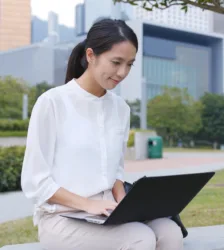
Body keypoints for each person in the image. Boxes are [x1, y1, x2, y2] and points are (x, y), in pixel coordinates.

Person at [21, 18, 183, 250]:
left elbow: (115, 170)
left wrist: (128, 203)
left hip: (108, 210)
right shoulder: (52, 102)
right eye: (116, 62)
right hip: (62, 218)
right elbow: (36, 182)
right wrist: (87, 204)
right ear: (90, 55)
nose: (122, 72)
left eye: (129, 64)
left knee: (170, 231)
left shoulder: (120, 109)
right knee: (140, 237)